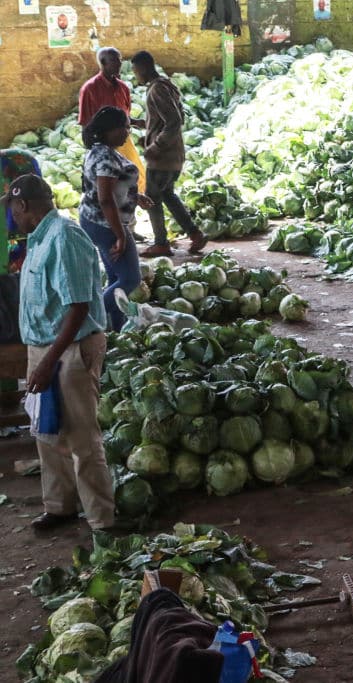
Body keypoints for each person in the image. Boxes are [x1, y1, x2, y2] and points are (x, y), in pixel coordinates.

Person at [3, 174, 115, 533]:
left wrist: (48, 362)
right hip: (45, 349)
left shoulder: (64, 237)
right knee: (47, 434)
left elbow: (78, 306)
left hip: (71, 349)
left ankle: (102, 521)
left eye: (12, 209)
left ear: (23, 206)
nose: (11, 217)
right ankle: (60, 506)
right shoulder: (37, 239)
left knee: (82, 437)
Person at [79, 106, 151, 332]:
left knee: (115, 279)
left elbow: (110, 187)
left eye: (128, 128)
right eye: (123, 128)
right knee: (130, 279)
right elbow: (105, 199)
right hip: (106, 224)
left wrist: (134, 196)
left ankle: (116, 330)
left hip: (94, 221)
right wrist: (120, 234)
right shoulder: (106, 157)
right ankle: (87, 319)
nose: (126, 133)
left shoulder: (100, 150)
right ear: (108, 130)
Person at [130, 51, 208, 257]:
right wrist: (142, 125)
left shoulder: (157, 89)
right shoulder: (165, 85)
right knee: (167, 194)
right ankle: (195, 234)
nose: (136, 75)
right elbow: (168, 117)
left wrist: (154, 146)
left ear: (144, 68)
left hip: (163, 157)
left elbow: (173, 121)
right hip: (173, 154)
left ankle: (161, 243)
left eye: (136, 71)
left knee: (151, 198)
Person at [78, 47, 147, 197]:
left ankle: (133, 207)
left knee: (137, 176)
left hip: (124, 140)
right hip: (103, 144)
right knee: (109, 184)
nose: (119, 64)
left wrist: (136, 122)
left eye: (120, 60)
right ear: (103, 63)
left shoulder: (123, 87)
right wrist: (91, 151)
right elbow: (85, 123)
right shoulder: (90, 89)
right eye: (115, 60)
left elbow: (124, 117)